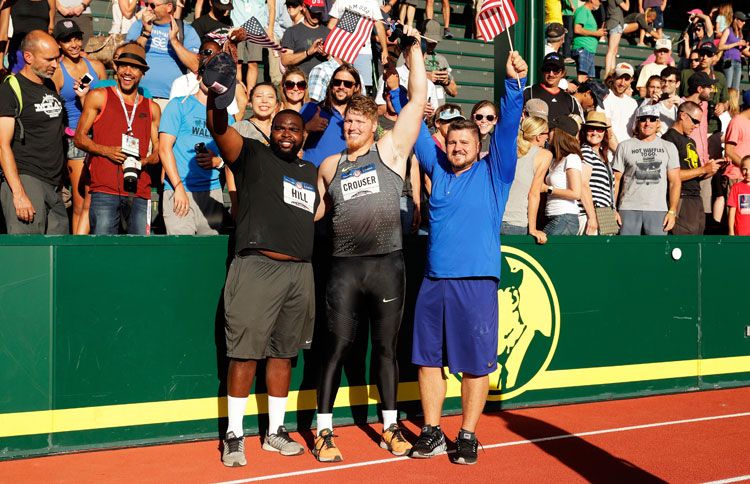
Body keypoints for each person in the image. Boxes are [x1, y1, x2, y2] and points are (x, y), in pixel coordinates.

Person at [398, 51, 527, 465]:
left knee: (475, 366)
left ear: (478, 146)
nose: (456, 147)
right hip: (434, 281)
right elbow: (414, 121)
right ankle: (432, 431)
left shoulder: (495, 171)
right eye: (451, 142)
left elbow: (507, 128)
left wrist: (512, 84)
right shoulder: (436, 166)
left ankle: (467, 434)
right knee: (427, 361)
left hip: (476, 282)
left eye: (464, 143)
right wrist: (401, 78)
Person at [312, 25, 426, 463]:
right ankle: (324, 432)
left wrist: (412, 50)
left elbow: (417, 100)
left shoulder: (391, 150)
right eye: (348, 122)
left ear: (374, 124)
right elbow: (316, 214)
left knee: (385, 348)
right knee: (336, 347)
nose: (352, 126)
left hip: (386, 264)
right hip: (343, 267)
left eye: (360, 121)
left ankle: (391, 426)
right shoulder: (328, 165)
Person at [204, 52, 318, 468]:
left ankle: (274, 432)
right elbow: (220, 128)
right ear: (272, 131)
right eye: (281, 127)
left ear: (303, 136)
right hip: (256, 268)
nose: (287, 133)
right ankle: (234, 436)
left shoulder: (309, 171)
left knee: (284, 355)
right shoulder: (252, 153)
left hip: (299, 273)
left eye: (295, 129)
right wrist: (218, 96)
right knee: (244, 354)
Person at [74, 42, 161, 235]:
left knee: (137, 254)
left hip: (139, 190)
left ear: (142, 73)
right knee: (104, 252)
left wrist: (144, 162)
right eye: (123, 66)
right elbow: (78, 138)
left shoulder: (151, 107)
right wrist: (106, 151)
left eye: (134, 67)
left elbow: (158, 152)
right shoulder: (99, 96)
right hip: (105, 188)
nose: (128, 72)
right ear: (116, 68)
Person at [157, 54, 235, 235]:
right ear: (199, 75)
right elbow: (164, 148)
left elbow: (231, 157)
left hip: (212, 192)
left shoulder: (227, 117)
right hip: (180, 189)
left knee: (208, 255)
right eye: (209, 73)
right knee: (182, 254)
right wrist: (178, 187)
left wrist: (218, 161)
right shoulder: (178, 105)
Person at [0, 30, 67, 234]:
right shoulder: (10, 88)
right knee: (27, 257)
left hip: (54, 185)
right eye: (49, 59)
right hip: (27, 180)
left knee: (57, 256)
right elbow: (2, 145)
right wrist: (19, 194)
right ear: (28, 57)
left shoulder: (50, 85)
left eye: (57, 58)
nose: (55, 65)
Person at [51, 19, 106, 234]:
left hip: (100, 136)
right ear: (59, 44)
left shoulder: (97, 67)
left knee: (97, 200)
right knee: (81, 200)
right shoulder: (57, 72)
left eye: (76, 38)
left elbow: (108, 102)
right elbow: (53, 111)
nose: (73, 44)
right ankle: (77, 249)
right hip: (74, 139)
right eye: (67, 40)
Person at [612, 104, 681, 235]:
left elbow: (675, 182)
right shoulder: (624, 146)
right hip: (628, 208)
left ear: (658, 123)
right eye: (643, 119)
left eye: (652, 119)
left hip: (658, 209)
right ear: (637, 122)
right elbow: (615, 180)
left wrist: (672, 211)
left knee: (657, 253)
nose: (647, 123)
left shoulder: (669, 146)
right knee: (627, 252)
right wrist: (612, 210)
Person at [126, 0, 200, 109]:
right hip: (138, 95)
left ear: (169, 7)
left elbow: (196, 66)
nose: (148, 9)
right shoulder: (138, 26)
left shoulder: (186, 30)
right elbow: (128, 58)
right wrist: (145, 33)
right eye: (146, 5)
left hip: (171, 100)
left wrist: (174, 41)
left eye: (152, 5)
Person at [662, 101, 721, 235]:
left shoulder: (690, 141)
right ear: (682, 115)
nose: (696, 126)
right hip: (682, 197)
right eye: (695, 121)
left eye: (698, 122)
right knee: (685, 243)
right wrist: (703, 170)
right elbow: (671, 175)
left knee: (696, 242)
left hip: (696, 198)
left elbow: (696, 173)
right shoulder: (669, 139)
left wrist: (710, 170)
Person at [169, 39, 248, 122]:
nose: (213, 57)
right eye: (208, 52)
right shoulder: (181, 82)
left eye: (217, 55)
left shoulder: (224, 84)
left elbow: (231, 118)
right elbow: (173, 115)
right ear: (198, 56)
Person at [301, 63, 362, 166]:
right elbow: (290, 142)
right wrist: (307, 129)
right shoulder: (312, 108)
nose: (341, 87)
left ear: (356, 87)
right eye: (337, 82)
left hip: (345, 177)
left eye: (347, 84)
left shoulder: (360, 117)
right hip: (311, 175)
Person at [503, 115, 551, 244]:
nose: (548, 137)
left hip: (493, 219)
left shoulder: (509, 149)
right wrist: (533, 229)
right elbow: (534, 194)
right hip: (516, 221)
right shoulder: (544, 155)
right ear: (538, 136)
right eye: (547, 133)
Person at [327, 0, 388, 89]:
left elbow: (379, 26)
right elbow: (331, 25)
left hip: (363, 52)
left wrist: (385, 50)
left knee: (362, 87)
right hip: (342, 51)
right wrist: (330, 48)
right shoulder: (341, 1)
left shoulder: (372, 2)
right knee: (341, 84)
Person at [541, 115, 582, 235]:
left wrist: (547, 189)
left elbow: (576, 193)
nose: (548, 133)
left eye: (552, 130)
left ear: (559, 133)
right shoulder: (554, 160)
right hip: (553, 216)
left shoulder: (572, 158)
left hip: (565, 218)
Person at [578, 111, 617, 235]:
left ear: (605, 132)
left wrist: (613, 210)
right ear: (584, 131)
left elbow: (608, 189)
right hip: (591, 210)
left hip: (605, 211)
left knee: (607, 252)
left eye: (599, 129)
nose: (595, 132)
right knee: (591, 252)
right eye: (591, 129)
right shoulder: (585, 151)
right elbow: (583, 185)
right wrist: (592, 217)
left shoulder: (603, 155)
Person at [230, 0, 275, 93]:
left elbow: (272, 7)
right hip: (237, 26)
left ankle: (250, 96)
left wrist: (270, 30)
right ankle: (238, 94)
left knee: (253, 63)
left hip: (256, 28)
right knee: (237, 63)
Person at [523, 52, 583, 121]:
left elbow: (579, 126)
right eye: (547, 69)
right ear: (542, 71)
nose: (551, 74)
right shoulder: (529, 92)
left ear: (563, 73)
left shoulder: (571, 101)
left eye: (556, 70)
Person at [279, 0, 329, 76]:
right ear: (304, 7)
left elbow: (338, 61)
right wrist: (307, 53)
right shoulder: (291, 32)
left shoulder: (328, 33)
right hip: (300, 83)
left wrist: (327, 55)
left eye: (319, 12)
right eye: (313, 12)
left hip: (322, 81)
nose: (316, 15)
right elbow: (285, 60)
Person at [4, 0, 55, 73]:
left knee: (40, 82)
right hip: (19, 52)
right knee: (17, 82)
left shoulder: (50, 1)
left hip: (42, 54)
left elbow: (51, 29)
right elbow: (3, 33)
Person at [422, 20, 458, 106]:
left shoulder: (441, 59)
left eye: (436, 41)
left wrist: (446, 82)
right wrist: (426, 77)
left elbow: (454, 92)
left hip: (438, 109)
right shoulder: (411, 55)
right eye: (430, 40)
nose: (433, 44)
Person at [603, 63, 637, 144]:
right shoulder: (605, 98)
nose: (622, 83)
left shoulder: (633, 103)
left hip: (628, 151)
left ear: (631, 80)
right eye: (619, 78)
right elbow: (607, 131)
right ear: (613, 77)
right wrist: (620, 153)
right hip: (610, 153)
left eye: (626, 79)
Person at [571, 0, 605, 83]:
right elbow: (577, 29)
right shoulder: (582, 11)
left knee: (589, 81)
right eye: (599, 1)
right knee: (582, 79)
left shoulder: (589, 13)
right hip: (583, 48)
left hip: (589, 50)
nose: (600, 3)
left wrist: (598, 34)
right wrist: (596, 33)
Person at [717, 11, 748, 91]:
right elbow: (720, 46)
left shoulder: (741, 34)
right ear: (735, 20)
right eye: (742, 20)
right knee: (728, 87)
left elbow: (737, 48)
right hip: (729, 61)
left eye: (744, 21)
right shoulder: (728, 30)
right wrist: (737, 43)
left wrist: (742, 48)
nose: (744, 23)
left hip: (738, 62)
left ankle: (733, 103)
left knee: (736, 89)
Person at [604, 0, 629, 78]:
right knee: (611, 50)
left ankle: (612, 71)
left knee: (614, 50)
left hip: (612, 23)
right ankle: (608, 73)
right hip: (615, 23)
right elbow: (626, 8)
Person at [728, 155, 750, 236]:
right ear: (741, 170)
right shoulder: (736, 187)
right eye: (745, 169)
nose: (748, 172)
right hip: (741, 233)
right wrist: (731, 231)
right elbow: (732, 211)